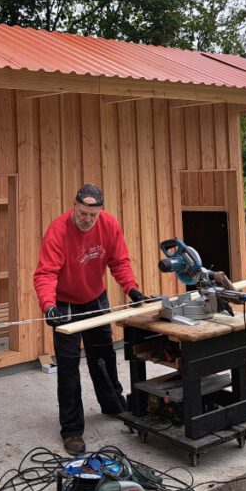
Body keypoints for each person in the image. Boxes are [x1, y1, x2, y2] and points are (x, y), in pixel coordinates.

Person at [33, 184, 149, 456]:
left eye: (92, 215)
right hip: (65, 304)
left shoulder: (108, 225)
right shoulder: (58, 230)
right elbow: (45, 274)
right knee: (69, 368)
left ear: (101, 212)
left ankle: (113, 404)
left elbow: (119, 262)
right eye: (82, 213)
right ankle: (72, 430)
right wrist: (49, 306)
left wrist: (131, 289)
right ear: (74, 206)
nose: (86, 219)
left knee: (104, 356)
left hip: (96, 298)